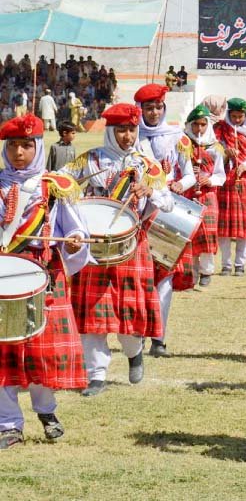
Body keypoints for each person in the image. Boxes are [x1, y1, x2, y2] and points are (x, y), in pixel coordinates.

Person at [60, 103, 171, 397]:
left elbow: (169, 201)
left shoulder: (148, 164)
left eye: (132, 130)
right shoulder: (88, 160)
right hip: (93, 248)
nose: (127, 136)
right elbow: (59, 186)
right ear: (110, 131)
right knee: (94, 312)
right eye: (121, 130)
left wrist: (150, 192)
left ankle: (134, 352)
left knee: (129, 310)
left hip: (131, 245)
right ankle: (96, 374)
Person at [0, 114, 90, 449]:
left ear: (37, 147)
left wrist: (76, 238)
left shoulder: (54, 186)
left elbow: (75, 227)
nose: (19, 152)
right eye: (12, 146)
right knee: (3, 353)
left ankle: (46, 410)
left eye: (26, 145)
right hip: (3, 275)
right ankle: (8, 423)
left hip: (43, 276)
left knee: (40, 352)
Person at [134, 84, 195, 358]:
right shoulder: (131, 137)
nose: (155, 112)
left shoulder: (178, 137)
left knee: (165, 278)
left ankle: (159, 337)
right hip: (140, 212)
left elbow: (191, 174)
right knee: (138, 277)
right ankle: (136, 336)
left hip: (169, 212)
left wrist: (180, 184)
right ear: (141, 110)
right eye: (149, 108)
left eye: (159, 107)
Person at [213, 98, 246, 276]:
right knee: (225, 228)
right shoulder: (220, 130)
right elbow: (212, 154)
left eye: (240, 116)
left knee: (244, 228)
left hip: (245, 182)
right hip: (226, 181)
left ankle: (240, 264)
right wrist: (225, 152)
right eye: (233, 116)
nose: (236, 120)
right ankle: (226, 265)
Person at [182, 105, 225, 287]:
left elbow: (221, 175)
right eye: (196, 125)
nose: (199, 129)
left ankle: (207, 271)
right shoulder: (183, 145)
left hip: (208, 195)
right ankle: (191, 272)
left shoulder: (215, 147)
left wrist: (210, 180)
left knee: (207, 233)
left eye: (203, 125)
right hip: (187, 194)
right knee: (188, 234)